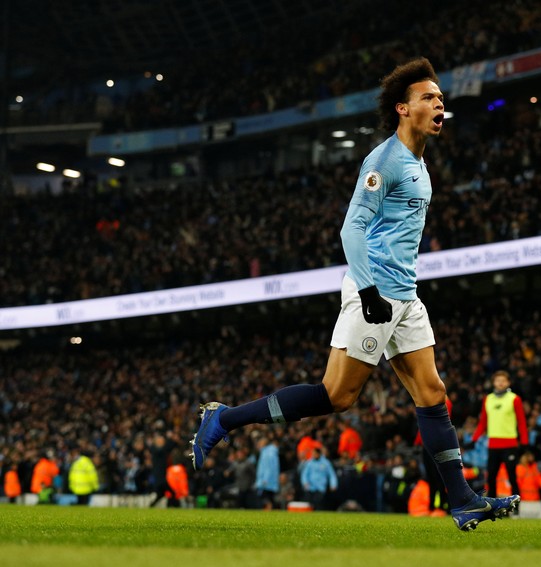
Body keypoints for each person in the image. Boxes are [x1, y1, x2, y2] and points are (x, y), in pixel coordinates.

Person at [190, 57, 519, 531]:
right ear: (404, 109)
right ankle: (224, 419)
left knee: (432, 391)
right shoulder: (384, 160)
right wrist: (366, 290)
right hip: (376, 290)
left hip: (405, 294)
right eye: (429, 97)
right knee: (338, 396)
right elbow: (351, 229)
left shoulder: (421, 163)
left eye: (441, 98)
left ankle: (463, 499)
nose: (439, 103)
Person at [472, 370, 529, 498]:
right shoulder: (488, 399)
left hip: (510, 444)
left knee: (512, 477)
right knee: (491, 477)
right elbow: (483, 423)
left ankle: (515, 509)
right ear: (493, 383)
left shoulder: (515, 399)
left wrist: (525, 442)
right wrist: (474, 439)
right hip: (493, 445)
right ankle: (493, 507)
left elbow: (522, 422)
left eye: (503, 381)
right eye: (498, 380)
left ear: (508, 383)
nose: (500, 383)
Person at [300, 446, 338, 511]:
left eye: (314, 453)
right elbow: (304, 474)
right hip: (310, 487)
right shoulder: (309, 463)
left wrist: (333, 484)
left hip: (321, 487)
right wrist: (305, 482)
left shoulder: (326, 463)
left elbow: (331, 474)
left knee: (319, 504)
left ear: (318, 454)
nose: (313, 455)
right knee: (309, 504)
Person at [254, 433, 280, 510]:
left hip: (267, 481)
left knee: (266, 499)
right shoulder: (265, 452)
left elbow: (270, 467)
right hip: (265, 480)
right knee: (268, 498)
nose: (258, 445)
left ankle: (270, 512)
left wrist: (265, 479)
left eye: (260, 443)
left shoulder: (269, 453)